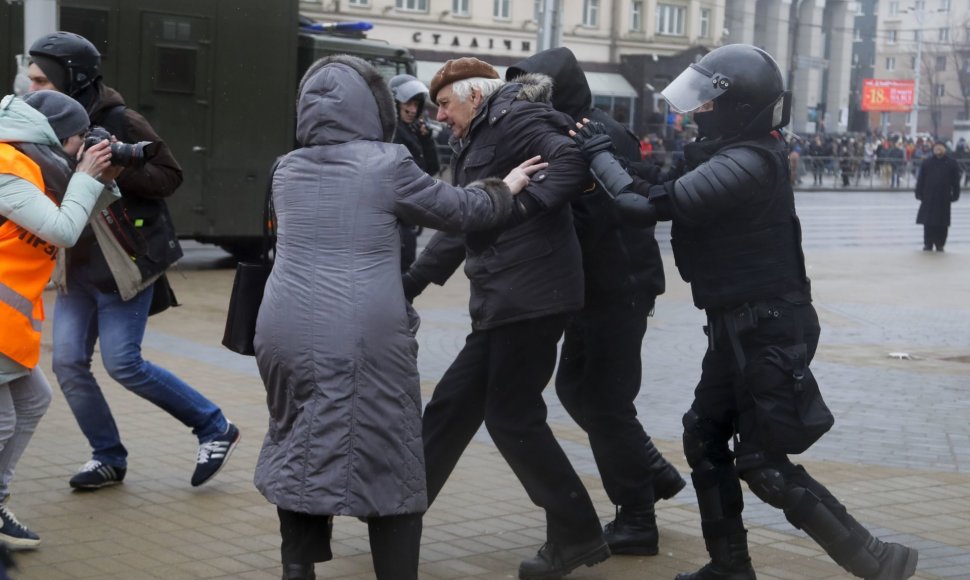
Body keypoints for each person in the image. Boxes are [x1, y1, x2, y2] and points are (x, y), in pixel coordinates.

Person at [570, 44, 919, 580]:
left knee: (763, 464)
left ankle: (876, 561)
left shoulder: (749, 161)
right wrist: (613, 157)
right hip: (739, 324)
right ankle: (729, 567)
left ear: (738, 106)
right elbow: (652, 185)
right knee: (704, 435)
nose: (699, 113)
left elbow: (640, 207)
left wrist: (598, 155)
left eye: (708, 103)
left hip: (768, 328)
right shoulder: (728, 153)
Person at [252, 54, 543, 580]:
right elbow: (461, 212)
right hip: (360, 333)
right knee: (387, 451)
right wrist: (507, 185)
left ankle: (298, 571)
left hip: (281, 328)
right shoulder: (386, 164)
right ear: (373, 108)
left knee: (297, 440)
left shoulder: (286, 167)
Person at [402, 57, 609, 578]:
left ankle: (577, 532)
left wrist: (521, 205)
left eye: (445, 105)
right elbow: (462, 222)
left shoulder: (515, 116)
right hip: (504, 298)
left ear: (474, 96)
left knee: (511, 417)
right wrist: (411, 283)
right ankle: (398, 510)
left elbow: (572, 160)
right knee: (452, 405)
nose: (440, 117)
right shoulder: (476, 135)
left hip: (533, 294)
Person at [27, 31, 240, 490]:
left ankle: (213, 426)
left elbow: (170, 175)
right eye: (30, 80)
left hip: (124, 259)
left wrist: (119, 168)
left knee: (123, 363)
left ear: (72, 77)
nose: (32, 89)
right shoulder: (37, 123)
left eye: (42, 80)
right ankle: (107, 457)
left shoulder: (121, 119)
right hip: (75, 264)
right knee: (66, 363)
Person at [504, 46, 685, 558]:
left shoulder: (594, 135)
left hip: (618, 287)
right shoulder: (565, 130)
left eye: (534, 90)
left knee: (604, 401)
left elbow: (610, 213)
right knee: (578, 390)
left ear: (558, 92)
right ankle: (650, 471)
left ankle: (637, 517)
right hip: (596, 288)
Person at [0, 90, 120, 546]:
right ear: (54, 138)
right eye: (78, 142)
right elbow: (63, 231)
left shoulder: (32, 167)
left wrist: (101, 177)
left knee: (32, 401)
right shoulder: (7, 167)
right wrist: (86, 176)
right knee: (4, 422)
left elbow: (74, 215)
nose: (80, 151)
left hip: (7, 325)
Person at [388, 74, 440, 271]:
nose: (412, 109)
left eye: (416, 104)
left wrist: (425, 139)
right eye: (407, 103)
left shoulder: (411, 130)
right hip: (395, 219)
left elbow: (432, 167)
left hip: (408, 215)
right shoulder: (391, 132)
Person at [915, 142, 960, 252]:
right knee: (928, 222)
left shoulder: (952, 163)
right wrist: (918, 192)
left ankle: (940, 244)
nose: (938, 149)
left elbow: (956, 181)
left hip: (943, 197)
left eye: (940, 147)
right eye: (936, 147)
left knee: (942, 223)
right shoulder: (927, 162)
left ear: (944, 149)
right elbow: (921, 179)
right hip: (928, 196)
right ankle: (928, 243)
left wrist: (955, 195)